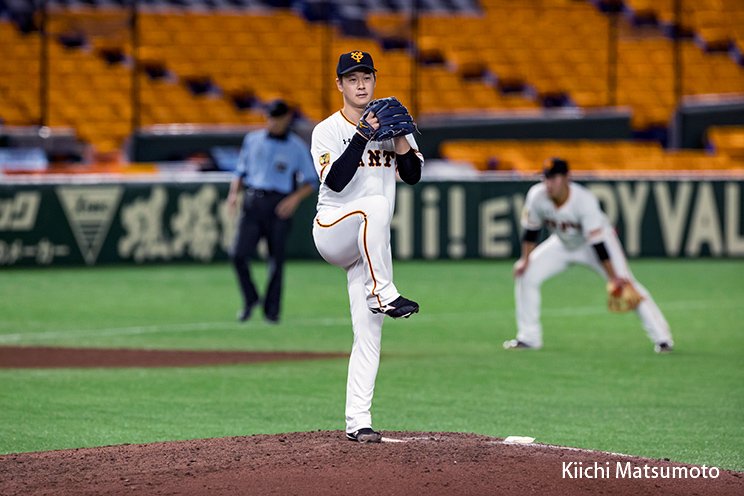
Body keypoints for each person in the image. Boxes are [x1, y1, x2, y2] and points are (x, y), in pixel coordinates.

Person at [310, 50, 423, 443]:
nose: (360, 85)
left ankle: (358, 421)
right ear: (339, 85)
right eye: (352, 79)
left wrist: (401, 139)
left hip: (370, 247)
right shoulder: (327, 130)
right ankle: (382, 292)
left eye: (366, 77)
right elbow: (336, 181)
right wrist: (361, 135)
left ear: (375, 80)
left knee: (369, 333)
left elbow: (412, 176)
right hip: (333, 228)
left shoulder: (391, 122)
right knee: (375, 205)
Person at [505, 158, 674, 353]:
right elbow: (531, 231)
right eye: (546, 178)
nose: (548, 183)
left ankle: (663, 339)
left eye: (554, 178)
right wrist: (524, 260)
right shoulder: (537, 195)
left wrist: (613, 277)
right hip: (561, 243)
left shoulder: (583, 200)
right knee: (526, 275)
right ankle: (529, 338)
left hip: (594, 245)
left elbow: (598, 244)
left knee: (626, 284)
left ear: (567, 178)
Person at [227, 99, 318, 324]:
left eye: (277, 118)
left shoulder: (296, 146)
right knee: (238, 254)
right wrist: (233, 194)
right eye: (270, 117)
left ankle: (272, 311)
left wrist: (293, 199)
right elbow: (240, 171)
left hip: (279, 204)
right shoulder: (253, 140)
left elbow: (311, 180)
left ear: (286, 118)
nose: (272, 122)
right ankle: (251, 299)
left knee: (276, 260)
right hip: (253, 201)